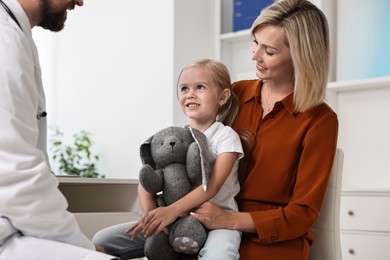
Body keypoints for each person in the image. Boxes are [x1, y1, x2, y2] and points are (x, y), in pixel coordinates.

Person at [190, 0, 338, 259]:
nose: (254, 55)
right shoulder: (235, 93)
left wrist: (229, 220)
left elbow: (302, 214)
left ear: (301, 57)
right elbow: (199, 148)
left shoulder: (320, 120)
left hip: (272, 242)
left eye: (269, 51)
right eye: (255, 42)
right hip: (211, 224)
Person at [93, 59, 245, 259]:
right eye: (184, 89)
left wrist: (171, 211)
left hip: (215, 221)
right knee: (101, 240)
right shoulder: (174, 138)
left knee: (220, 254)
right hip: (175, 221)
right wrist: (153, 218)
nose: (190, 94)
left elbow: (213, 186)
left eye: (200, 87)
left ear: (223, 97)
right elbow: (146, 182)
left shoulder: (225, 137)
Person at [0, 0, 115, 259]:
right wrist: (81, 247)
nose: (80, 2)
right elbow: (15, 176)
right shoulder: (5, 40)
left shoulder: (16, 35)